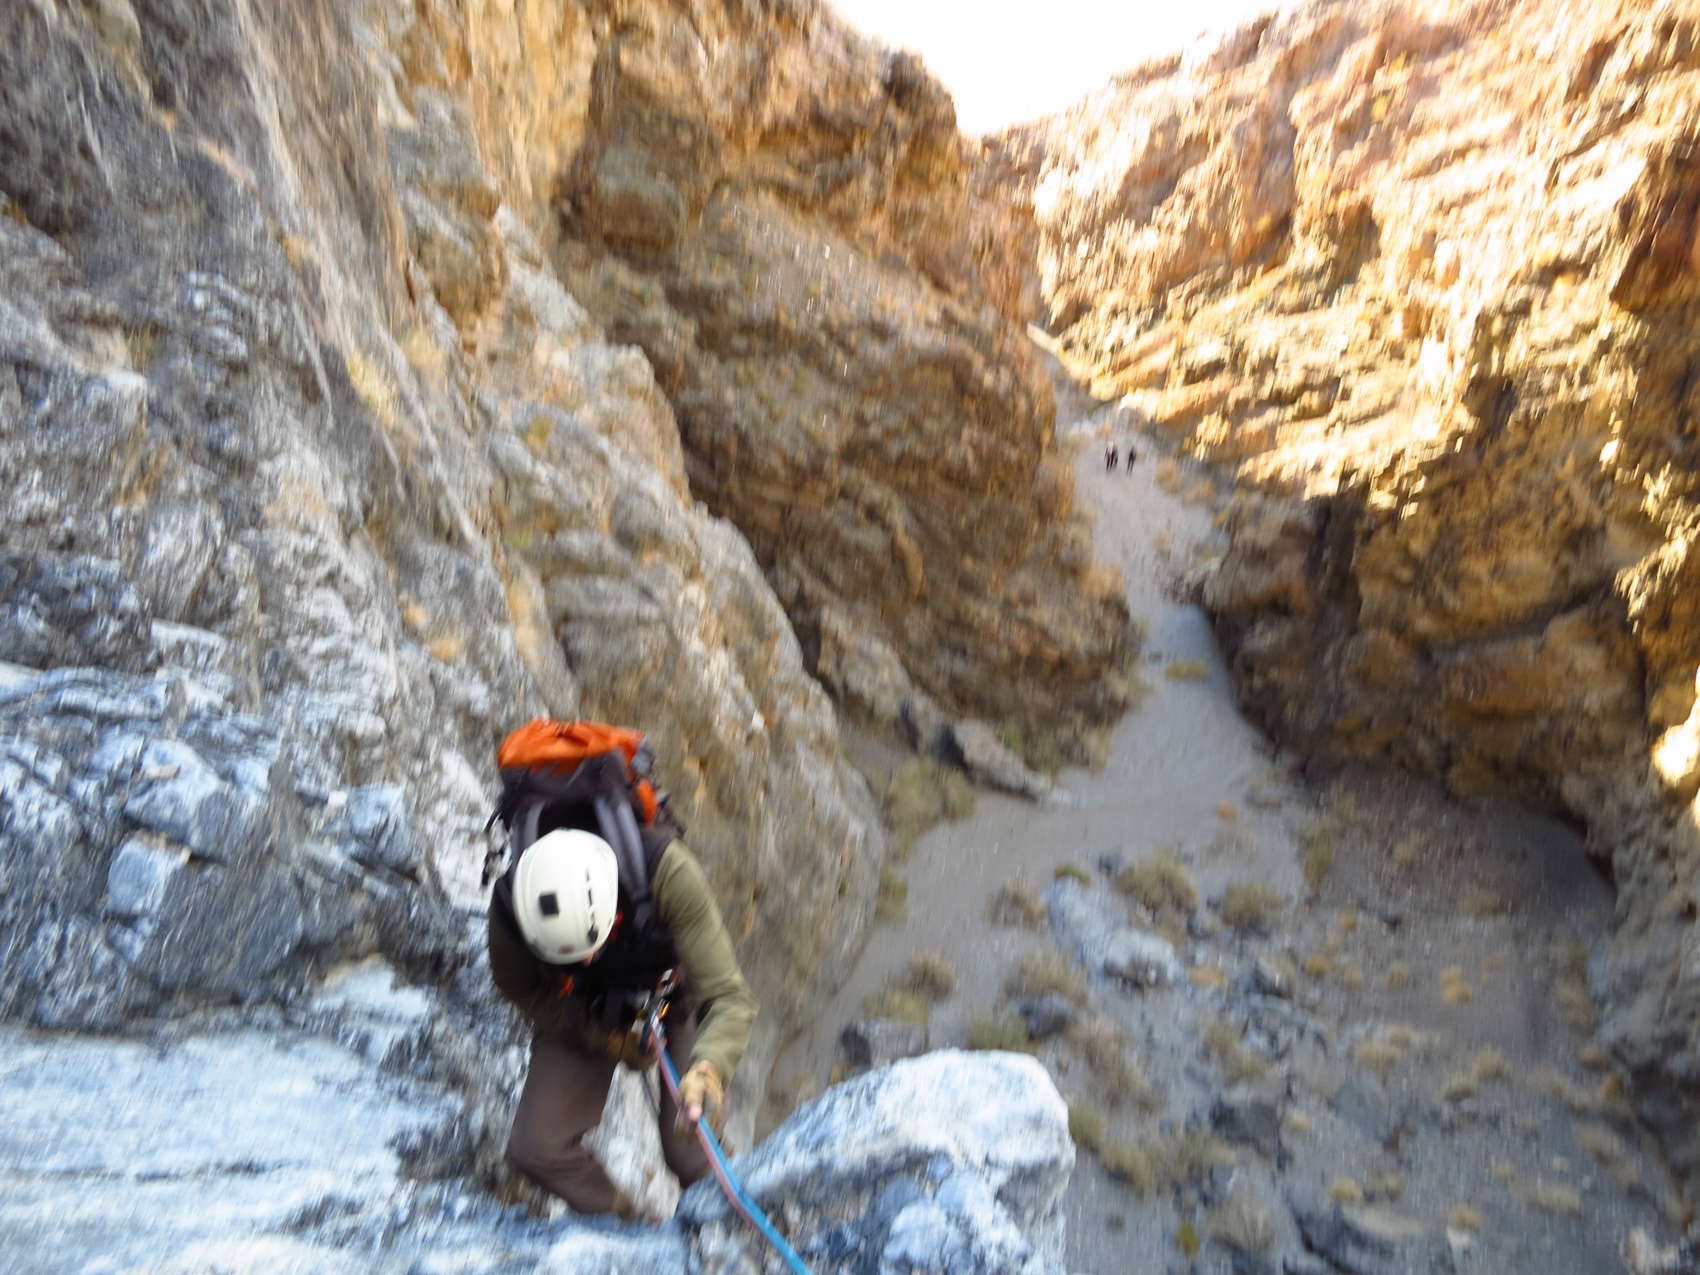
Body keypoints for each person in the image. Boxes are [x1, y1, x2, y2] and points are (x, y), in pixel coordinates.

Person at [487, 821, 758, 1220]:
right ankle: (630, 1228)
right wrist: (605, 1038)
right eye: (572, 956)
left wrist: (708, 1070)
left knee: (689, 1149)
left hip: (669, 997)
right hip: (584, 1008)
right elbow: (524, 989)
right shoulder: (513, 911)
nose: (586, 961)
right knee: (537, 1147)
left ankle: (727, 1222)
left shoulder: (666, 873)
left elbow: (728, 996)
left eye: (590, 949)